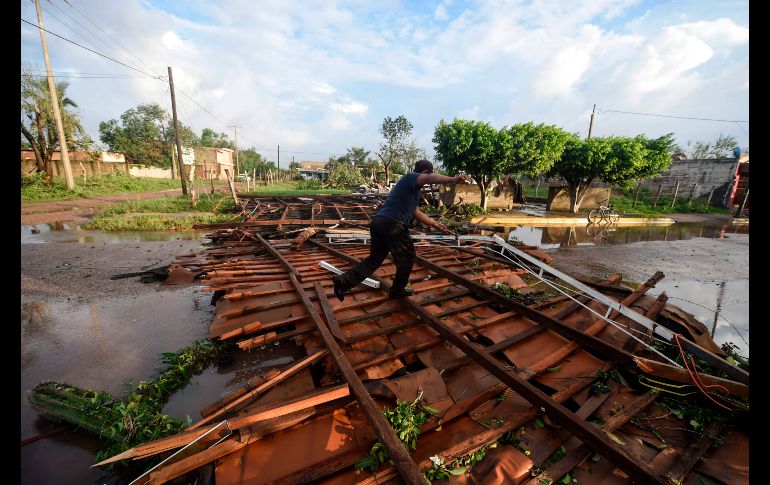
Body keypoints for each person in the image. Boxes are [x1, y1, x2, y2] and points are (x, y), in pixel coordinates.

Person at [332, 159, 470, 301]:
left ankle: (343, 282)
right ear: (424, 172)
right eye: (428, 175)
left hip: (379, 222)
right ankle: (397, 290)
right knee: (408, 257)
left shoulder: (409, 189)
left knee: (374, 260)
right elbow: (428, 178)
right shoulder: (412, 177)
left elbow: (416, 212)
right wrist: (453, 179)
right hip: (392, 223)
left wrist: (437, 225)